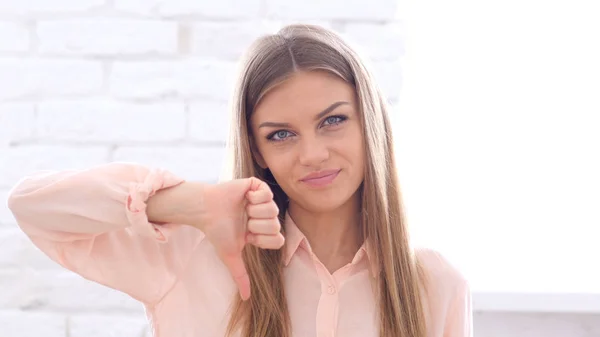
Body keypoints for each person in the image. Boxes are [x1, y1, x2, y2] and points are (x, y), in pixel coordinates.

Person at [7, 24, 472, 337]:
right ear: (257, 151)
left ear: (369, 122)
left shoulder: (435, 285)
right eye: (282, 134)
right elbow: (33, 207)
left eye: (332, 121)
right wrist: (189, 203)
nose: (312, 154)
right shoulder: (190, 255)